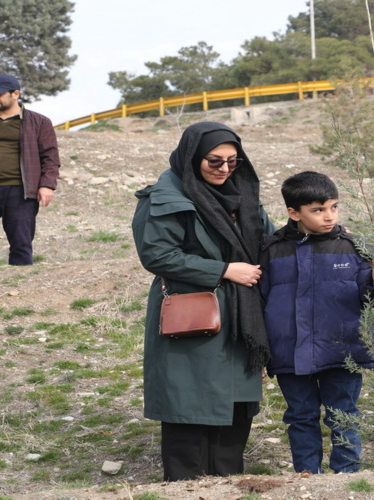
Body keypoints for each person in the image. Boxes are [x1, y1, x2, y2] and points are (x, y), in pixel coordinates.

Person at [131, 121, 275, 481]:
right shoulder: (165, 198)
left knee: (236, 409)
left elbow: (273, 245)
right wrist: (224, 269)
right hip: (193, 318)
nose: (224, 169)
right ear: (193, 157)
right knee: (187, 407)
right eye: (214, 161)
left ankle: (226, 484)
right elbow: (158, 255)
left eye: (232, 161)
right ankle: (185, 487)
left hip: (243, 320)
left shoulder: (245, 199)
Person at [259, 171, 374, 474]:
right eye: (318, 209)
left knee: (344, 413)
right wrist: (261, 351)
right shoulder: (272, 250)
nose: (329, 216)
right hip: (289, 352)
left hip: (344, 351)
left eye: (334, 207)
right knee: (300, 415)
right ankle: (307, 475)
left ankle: (347, 474)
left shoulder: (354, 247)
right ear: (293, 212)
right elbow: (259, 302)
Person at [0, 74, 60, 265]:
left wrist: (47, 185)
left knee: (21, 242)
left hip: (20, 190)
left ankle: (20, 284)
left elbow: (50, 157)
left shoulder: (39, 122)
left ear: (16, 94)